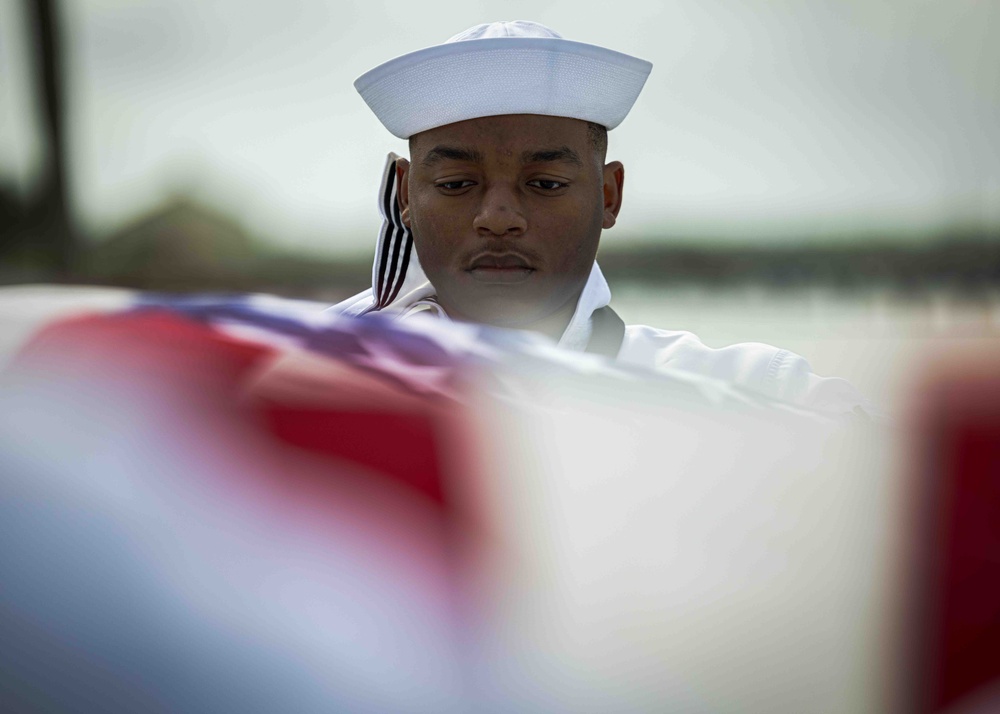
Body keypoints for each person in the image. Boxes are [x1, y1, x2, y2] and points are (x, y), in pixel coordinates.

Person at [329, 20, 873, 417]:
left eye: (544, 184)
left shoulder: (750, 393)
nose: (498, 218)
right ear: (404, 194)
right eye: (456, 185)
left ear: (609, 195)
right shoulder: (314, 386)